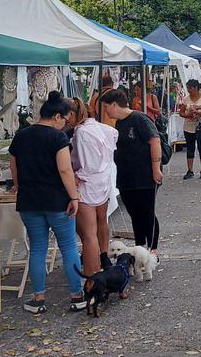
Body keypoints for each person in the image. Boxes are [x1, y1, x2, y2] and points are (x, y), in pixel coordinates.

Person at [8, 91, 85, 314]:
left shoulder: (21, 135)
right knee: (68, 246)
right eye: (66, 119)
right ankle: (76, 296)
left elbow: (14, 164)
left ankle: (38, 298)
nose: (65, 124)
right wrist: (74, 196)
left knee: (38, 248)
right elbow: (64, 169)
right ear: (58, 116)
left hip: (29, 201)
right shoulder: (58, 138)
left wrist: (17, 185)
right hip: (57, 200)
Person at [102, 88, 163, 256]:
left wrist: (156, 168)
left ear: (114, 105)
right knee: (134, 213)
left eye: (106, 106)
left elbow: (155, 141)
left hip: (144, 176)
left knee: (146, 212)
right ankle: (139, 246)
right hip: (126, 177)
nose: (105, 111)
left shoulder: (139, 118)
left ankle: (152, 249)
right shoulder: (119, 123)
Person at [67, 97, 117, 277]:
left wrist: (76, 175)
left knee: (88, 235)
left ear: (72, 114)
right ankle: (103, 258)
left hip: (88, 184)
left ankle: (93, 274)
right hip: (103, 180)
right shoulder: (104, 129)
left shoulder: (81, 132)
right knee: (101, 221)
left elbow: (89, 164)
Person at [178, 79, 201, 179]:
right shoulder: (186, 99)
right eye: (188, 88)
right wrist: (188, 115)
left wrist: (200, 112)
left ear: (196, 88)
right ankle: (190, 170)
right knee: (190, 149)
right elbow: (181, 112)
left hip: (200, 126)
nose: (189, 90)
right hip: (188, 127)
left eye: (190, 88)